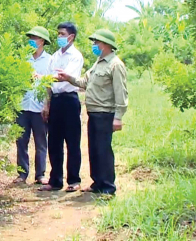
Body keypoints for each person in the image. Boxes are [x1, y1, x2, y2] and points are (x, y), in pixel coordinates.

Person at [55, 28, 128, 196]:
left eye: (97, 42)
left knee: (103, 150)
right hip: (93, 113)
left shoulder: (115, 65)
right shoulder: (98, 63)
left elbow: (121, 93)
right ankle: (97, 183)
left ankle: (108, 187)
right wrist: (68, 78)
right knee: (94, 149)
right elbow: (83, 82)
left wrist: (118, 117)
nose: (94, 45)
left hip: (105, 113)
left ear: (106, 45)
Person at [38, 22, 84, 192]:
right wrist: (46, 104)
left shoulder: (76, 56)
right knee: (54, 141)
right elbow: (48, 83)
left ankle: (73, 180)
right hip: (56, 100)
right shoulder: (55, 57)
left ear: (71, 37)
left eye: (62, 34)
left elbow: (64, 77)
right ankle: (55, 180)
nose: (59, 37)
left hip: (70, 100)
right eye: (58, 34)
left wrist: (44, 77)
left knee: (72, 141)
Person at [13, 26, 52, 185]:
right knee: (21, 140)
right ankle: (22, 174)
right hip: (22, 106)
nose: (31, 40)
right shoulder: (24, 59)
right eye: (30, 37)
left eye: (34, 38)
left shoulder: (49, 60)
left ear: (42, 41)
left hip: (39, 107)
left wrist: (47, 105)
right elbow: (15, 81)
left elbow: (49, 84)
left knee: (40, 141)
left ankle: (40, 174)